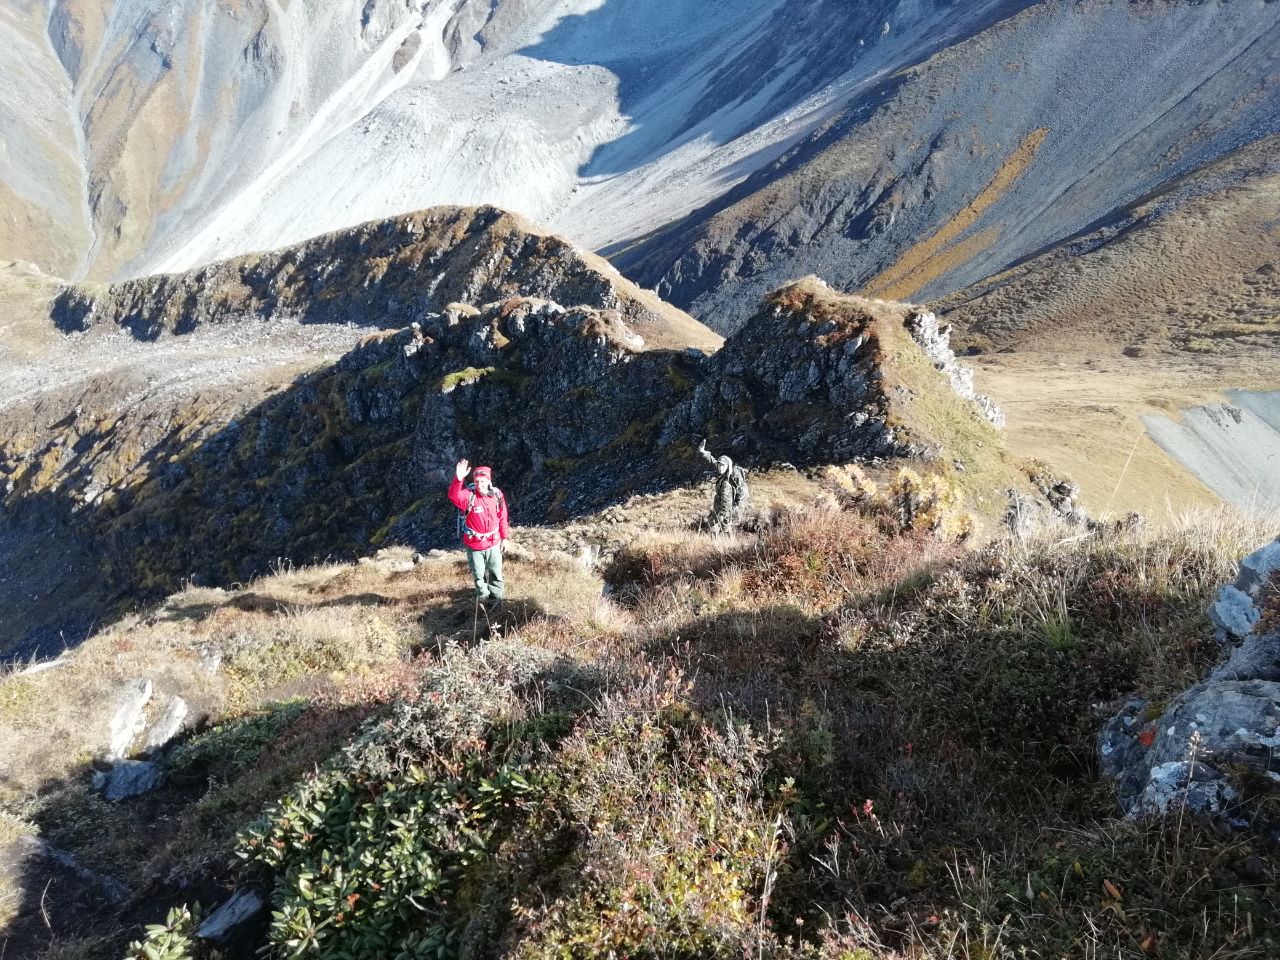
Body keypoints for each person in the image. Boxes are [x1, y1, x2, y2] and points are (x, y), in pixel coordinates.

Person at [448, 459, 510, 609]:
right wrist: (459, 479)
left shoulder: (496, 495)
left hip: (494, 543)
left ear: (489, 481)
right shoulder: (468, 496)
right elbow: (454, 496)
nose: (479, 485)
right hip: (475, 545)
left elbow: (503, 517)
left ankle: (497, 602)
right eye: (477, 481)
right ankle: (484, 601)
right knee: (479, 577)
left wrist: (505, 538)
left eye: (483, 481)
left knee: (496, 574)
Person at [696, 437, 749, 533]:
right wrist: (703, 452)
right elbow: (713, 462)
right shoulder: (724, 473)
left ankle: (721, 545)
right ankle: (726, 544)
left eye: (723, 465)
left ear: (727, 466)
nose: (720, 467)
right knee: (724, 529)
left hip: (725, 510)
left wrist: (721, 514)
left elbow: (726, 500)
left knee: (716, 528)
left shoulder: (726, 483)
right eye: (720, 465)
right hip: (723, 509)